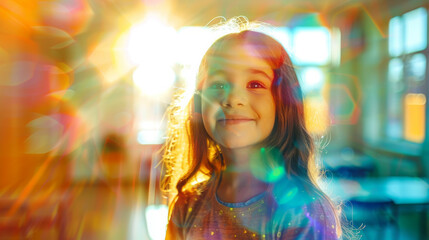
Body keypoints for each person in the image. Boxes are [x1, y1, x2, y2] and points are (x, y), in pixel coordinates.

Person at [161, 18, 342, 240]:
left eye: (255, 84)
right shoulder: (187, 204)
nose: (233, 99)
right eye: (218, 84)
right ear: (199, 103)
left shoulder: (303, 212)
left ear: (283, 103)